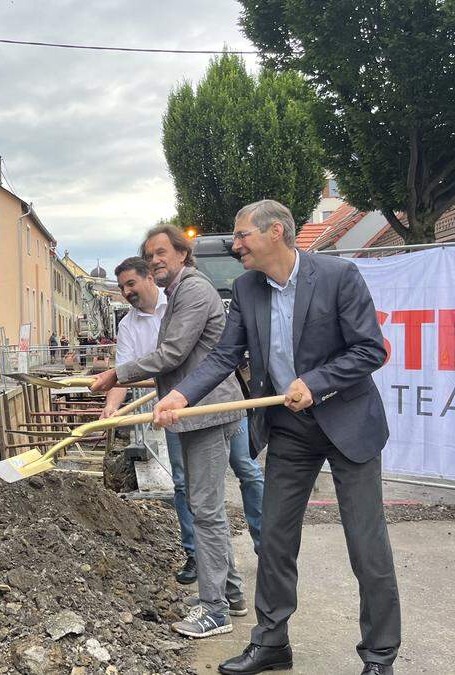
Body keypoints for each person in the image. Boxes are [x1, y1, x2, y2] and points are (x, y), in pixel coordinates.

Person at [154, 200, 400, 675]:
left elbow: (371, 349)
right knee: (275, 539)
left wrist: (319, 382)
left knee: (366, 546)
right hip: (291, 430)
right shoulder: (247, 288)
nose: (235, 243)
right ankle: (271, 643)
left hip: (348, 424)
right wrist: (181, 397)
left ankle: (378, 655)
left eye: (242, 234)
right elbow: (225, 355)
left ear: (276, 233)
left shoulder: (337, 276)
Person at [91, 226, 246, 640]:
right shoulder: (178, 292)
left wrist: (115, 375)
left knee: (207, 511)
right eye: (149, 254)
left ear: (182, 252)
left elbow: (173, 353)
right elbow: (176, 361)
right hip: (191, 413)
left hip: (209, 412)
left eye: (162, 252)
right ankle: (230, 594)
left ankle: (214, 609)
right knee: (203, 507)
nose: (155, 259)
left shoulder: (193, 291)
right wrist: (123, 390)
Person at [104, 255, 266, 582]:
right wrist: (110, 408)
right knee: (184, 483)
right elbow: (123, 374)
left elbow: (172, 355)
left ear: (149, 278)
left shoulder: (182, 300)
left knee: (246, 468)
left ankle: (266, 543)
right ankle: (196, 554)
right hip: (176, 409)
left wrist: (115, 377)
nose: (126, 292)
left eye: (131, 283)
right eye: (121, 287)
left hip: (217, 401)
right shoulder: (129, 325)